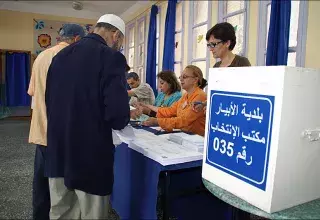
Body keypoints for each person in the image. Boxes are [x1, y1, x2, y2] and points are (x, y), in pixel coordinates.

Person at [45, 14, 137, 219]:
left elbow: (49, 101)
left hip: (58, 149)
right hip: (90, 156)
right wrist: (124, 118)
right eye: (120, 41)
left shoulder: (60, 56)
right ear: (115, 35)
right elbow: (116, 113)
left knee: (61, 211)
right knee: (92, 213)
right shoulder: (111, 57)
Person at [27, 24, 85, 220]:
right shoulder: (73, 58)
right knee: (62, 190)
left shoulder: (41, 57)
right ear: (77, 39)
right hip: (61, 134)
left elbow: (33, 95)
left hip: (40, 130)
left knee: (41, 184)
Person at [193, 22, 251, 113]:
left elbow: (245, 97)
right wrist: (205, 104)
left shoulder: (242, 63)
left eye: (213, 44)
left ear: (227, 43)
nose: (210, 49)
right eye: (209, 45)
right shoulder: (216, 67)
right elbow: (217, 96)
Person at [142, 65, 207, 136]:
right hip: (183, 134)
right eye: (180, 77)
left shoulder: (200, 96)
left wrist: (158, 121)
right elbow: (170, 111)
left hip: (196, 139)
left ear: (195, 80)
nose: (181, 79)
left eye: (184, 77)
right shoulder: (185, 96)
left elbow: (184, 120)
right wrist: (153, 116)